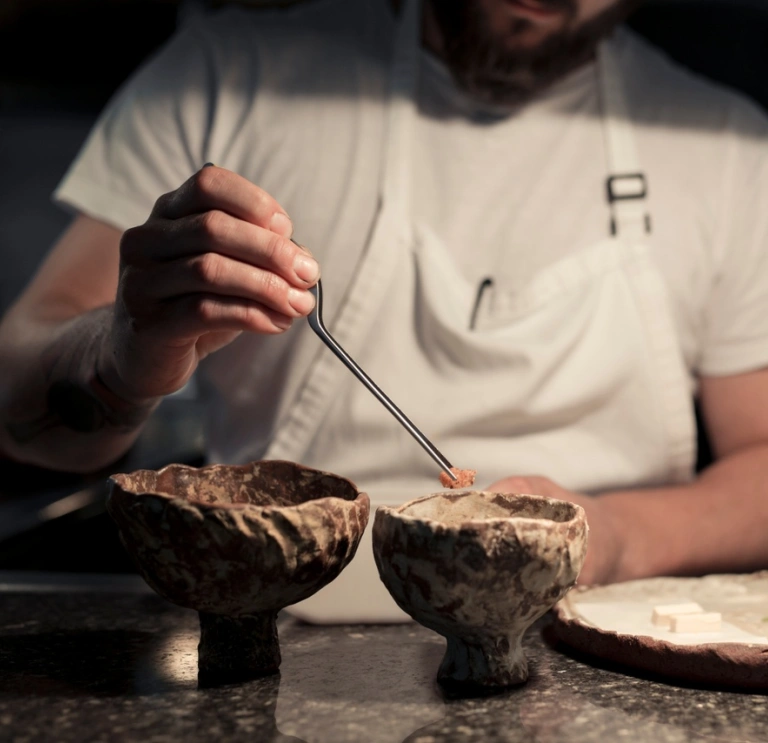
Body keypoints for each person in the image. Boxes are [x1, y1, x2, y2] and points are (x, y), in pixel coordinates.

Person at [0, 0, 767, 590]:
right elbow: (22, 415)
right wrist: (125, 354)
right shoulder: (229, 75)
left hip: (606, 635)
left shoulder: (727, 146)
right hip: (278, 637)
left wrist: (617, 535)